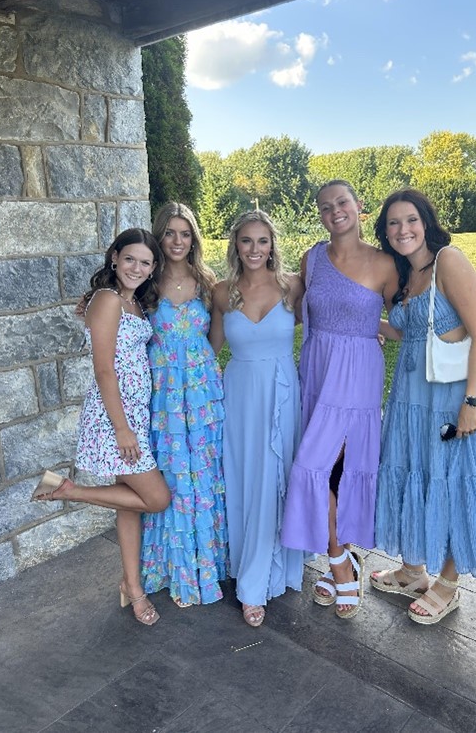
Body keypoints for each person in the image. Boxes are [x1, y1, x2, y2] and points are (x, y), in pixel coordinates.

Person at [370, 188, 476, 624]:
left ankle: (448, 584)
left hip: (454, 399)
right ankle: (414, 571)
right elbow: (413, 332)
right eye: (393, 223)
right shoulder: (406, 274)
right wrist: (369, 325)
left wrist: (471, 404)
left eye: (410, 220)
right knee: (418, 477)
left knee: (456, 484)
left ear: (426, 222)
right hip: (411, 400)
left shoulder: (448, 261)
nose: (403, 230)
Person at [30, 228, 170, 626]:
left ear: (152, 267)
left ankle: (132, 586)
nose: (136, 268)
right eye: (130, 259)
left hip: (134, 417)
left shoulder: (132, 303)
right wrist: (123, 429)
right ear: (114, 258)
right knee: (156, 499)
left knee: (130, 508)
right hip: (116, 420)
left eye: (145, 262)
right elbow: (104, 369)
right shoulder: (108, 300)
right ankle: (68, 490)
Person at [281, 180, 398, 619]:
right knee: (328, 469)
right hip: (317, 369)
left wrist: (376, 328)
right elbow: (289, 303)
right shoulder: (311, 258)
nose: (335, 211)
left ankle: (337, 563)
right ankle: (340, 557)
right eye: (326, 207)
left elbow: (403, 318)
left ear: (359, 206)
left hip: (357, 376)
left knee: (334, 466)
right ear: (320, 215)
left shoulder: (385, 264)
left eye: (343, 203)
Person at [209, 210, 305, 627]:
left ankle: (258, 580)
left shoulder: (292, 287)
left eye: (262, 241)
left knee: (277, 479)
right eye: (246, 241)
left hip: (283, 391)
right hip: (240, 394)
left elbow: (326, 323)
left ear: (272, 246)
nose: (254, 249)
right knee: (246, 481)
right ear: (235, 245)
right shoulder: (220, 292)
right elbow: (208, 348)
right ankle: (250, 568)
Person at [140, 202, 227, 607]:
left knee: (205, 477)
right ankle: (174, 568)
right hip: (164, 402)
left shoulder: (208, 283)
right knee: (173, 478)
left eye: (185, 233)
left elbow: (218, 339)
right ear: (159, 236)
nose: (177, 241)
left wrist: (196, 372)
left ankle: (209, 563)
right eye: (170, 233)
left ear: (194, 239)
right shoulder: (145, 284)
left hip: (202, 394)